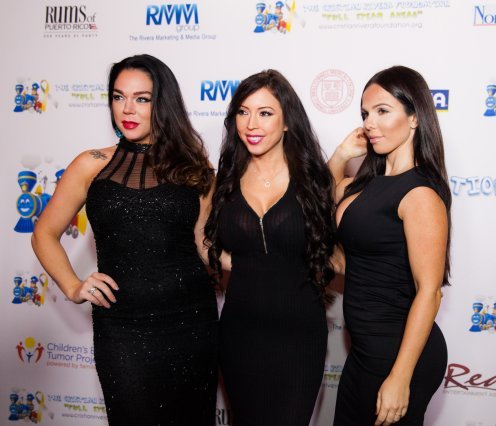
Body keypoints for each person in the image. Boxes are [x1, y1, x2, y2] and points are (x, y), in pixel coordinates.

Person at [31, 54, 217, 425]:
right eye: (119, 97)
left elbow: (203, 245)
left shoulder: (194, 168)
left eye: (141, 99)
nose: (127, 109)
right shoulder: (90, 164)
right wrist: (73, 286)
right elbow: (43, 234)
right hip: (121, 327)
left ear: (162, 103)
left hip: (191, 322)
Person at [204, 69, 334, 425]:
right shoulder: (224, 179)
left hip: (299, 334)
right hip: (240, 333)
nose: (251, 124)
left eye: (265, 113)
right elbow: (202, 236)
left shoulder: (313, 178)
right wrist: (238, 263)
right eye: (243, 112)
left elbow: (335, 250)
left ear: (287, 121)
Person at [329, 65, 450, 426]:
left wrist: (400, 377)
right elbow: (326, 202)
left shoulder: (420, 193)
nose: (370, 123)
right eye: (365, 114)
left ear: (414, 117)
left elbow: (429, 291)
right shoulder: (365, 184)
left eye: (382, 111)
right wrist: (340, 156)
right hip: (364, 352)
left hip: (399, 354)